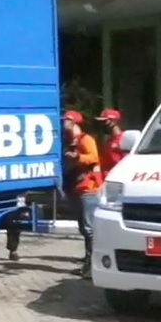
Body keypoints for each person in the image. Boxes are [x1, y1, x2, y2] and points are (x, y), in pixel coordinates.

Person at [62, 111, 102, 277]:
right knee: (83, 228)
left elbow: (93, 156)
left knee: (89, 228)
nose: (64, 123)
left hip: (88, 188)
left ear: (74, 123)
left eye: (67, 120)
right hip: (76, 188)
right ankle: (88, 261)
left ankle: (93, 265)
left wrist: (77, 156)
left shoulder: (86, 139)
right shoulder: (70, 141)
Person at [96, 108, 127, 176]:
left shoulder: (123, 139)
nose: (102, 124)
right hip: (105, 177)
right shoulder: (108, 141)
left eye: (104, 121)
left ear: (113, 121)